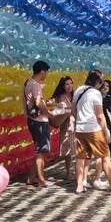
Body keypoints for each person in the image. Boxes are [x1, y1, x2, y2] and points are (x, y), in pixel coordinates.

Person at [73, 71, 111, 194]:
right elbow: (100, 116)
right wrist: (106, 131)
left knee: (80, 158)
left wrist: (77, 123)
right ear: (97, 82)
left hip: (80, 129)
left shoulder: (78, 90)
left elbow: (73, 110)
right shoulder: (95, 93)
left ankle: (79, 186)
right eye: (101, 82)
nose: (102, 85)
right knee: (105, 156)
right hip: (94, 129)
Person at [24, 60, 53, 188]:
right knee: (41, 150)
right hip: (39, 121)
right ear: (42, 71)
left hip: (32, 119)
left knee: (39, 150)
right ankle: (41, 179)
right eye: (46, 72)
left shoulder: (27, 83)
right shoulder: (36, 85)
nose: (46, 75)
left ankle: (31, 177)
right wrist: (48, 113)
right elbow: (38, 102)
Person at [93, 80, 111, 186]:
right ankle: (103, 165)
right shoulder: (97, 96)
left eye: (107, 86)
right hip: (100, 124)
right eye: (103, 86)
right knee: (102, 145)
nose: (105, 88)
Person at [49, 76, 75, 180]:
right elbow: (49, 103)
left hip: (76, 124)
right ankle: (68, 172)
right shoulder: (59, 96)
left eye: (71, 83)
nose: (69, 86)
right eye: (67, 84)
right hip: (66, 125)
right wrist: (57, 105)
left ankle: (78, 171)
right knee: (67, 150)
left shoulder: (75, 95)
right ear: (63, 86)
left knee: (77, 148)